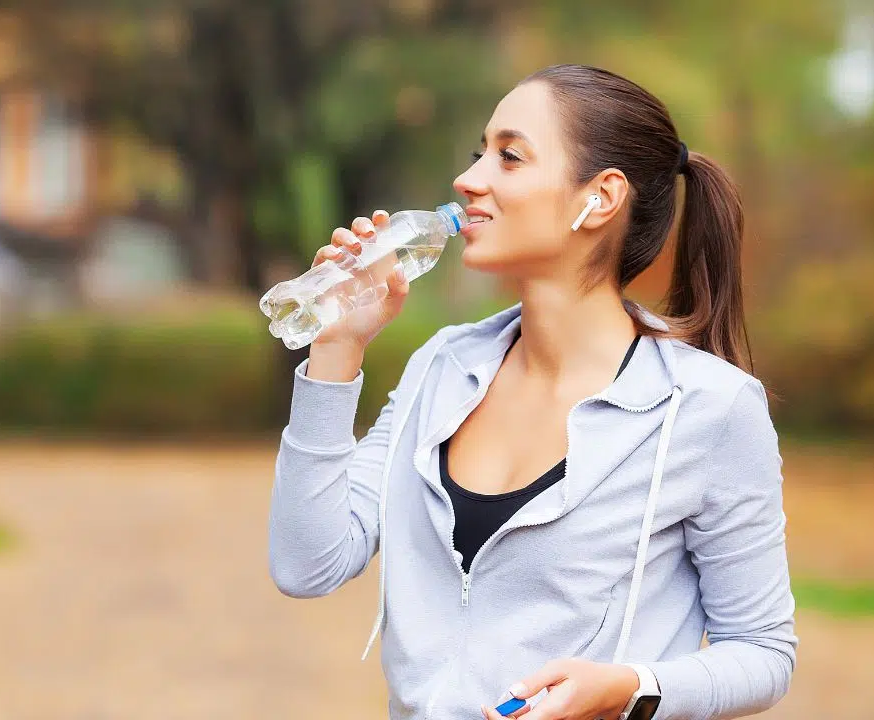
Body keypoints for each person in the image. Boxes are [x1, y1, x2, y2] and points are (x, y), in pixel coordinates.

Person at [267, 64, 796, 720]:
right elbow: (306, 564)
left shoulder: (709, 407)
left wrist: (627, 687)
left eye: (509, 157)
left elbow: (763, 652)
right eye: (478, 153)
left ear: (600, 197)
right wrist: (337, 348)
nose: (469, 180)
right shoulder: (442, 367)